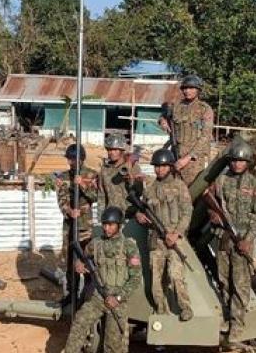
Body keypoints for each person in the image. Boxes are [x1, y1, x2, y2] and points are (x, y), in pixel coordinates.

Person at [206, 141, 256, 345]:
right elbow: (211, 203)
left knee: (240, 285)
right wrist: (213, 214)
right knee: (224, 280)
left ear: (248, 162)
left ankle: (237, 325)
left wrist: (248, 240)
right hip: (224, 238)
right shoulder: (221, 181)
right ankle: (227, 318)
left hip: (242, 241)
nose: (237, 164)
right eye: (234, 160)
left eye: (241, 161)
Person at [64, 207, 142, 353]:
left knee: (112, 344)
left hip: (118, 300)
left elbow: (135, 278)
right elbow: (82, 258)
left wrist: (118, 298)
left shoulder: (129, 246)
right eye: (104, 224)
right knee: (79, 323)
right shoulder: (96, 243)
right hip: (98, 296)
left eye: (111, 225)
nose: (106, 228)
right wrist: (79, 265)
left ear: (119, 225)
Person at [135, 148, 193, 321]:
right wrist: (139, 216)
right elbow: (141, 209)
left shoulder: (179, 186)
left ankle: (185, 307)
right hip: (156, 241)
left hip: (174, 240)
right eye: (156, 166)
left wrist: (177, 233)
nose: (159, 169)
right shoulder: (150, 189)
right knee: (156, 280)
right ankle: (161, 310)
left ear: (169, 166)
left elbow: (187, 212)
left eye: (163, 166)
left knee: (176, 276)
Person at [55, 144, 99, 291]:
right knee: (69, 261)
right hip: (69, 226)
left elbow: (95, 197)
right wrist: (68, 210)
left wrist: (83, 185)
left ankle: (88, 292)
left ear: (81, 159)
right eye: (69, 159)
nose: (70, 163)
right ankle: (71, 293)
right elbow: (61, 199)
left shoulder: (92, 175)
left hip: (85, 226)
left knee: (87, 259)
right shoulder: (63, 177)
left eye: (73, 159)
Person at [158, 74, 214, 185]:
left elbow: (205, 137)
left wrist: (187, 158)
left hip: (194, 160)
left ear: (198, 90)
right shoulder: (176, 106)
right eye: (185, 88)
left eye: (191, 88)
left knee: (193, 191)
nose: (187, 91)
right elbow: (163, 116)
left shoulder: (204, 109)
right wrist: (162, 122)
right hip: (175, 155)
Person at [97, 134, 143, 216]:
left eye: (115, 150)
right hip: (112, 215)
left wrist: (132, 181)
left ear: (122, 150)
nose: (111, 152)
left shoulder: (133, 167)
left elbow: (140, 192)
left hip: (130, 213)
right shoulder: (104, 169)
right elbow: (102, 193)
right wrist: (101, 215)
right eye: (109, 150)